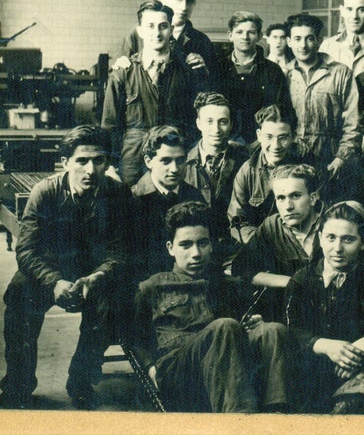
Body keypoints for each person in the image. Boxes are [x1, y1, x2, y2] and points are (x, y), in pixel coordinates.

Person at [0, 126, 131, 409]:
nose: (91, 169)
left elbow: (121, 250)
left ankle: (81, 381)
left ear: (107, 162)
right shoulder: (45, 192)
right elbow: (26, 250)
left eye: (99, 160)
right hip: (48, 271)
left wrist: (99, 275)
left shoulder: (118, 193)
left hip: (93, 273)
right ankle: (19, 383)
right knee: (19, 296)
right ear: (65, 162)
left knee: (114, 302)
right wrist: (55, 281)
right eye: (82, 160)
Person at [130, 201, 289, 413]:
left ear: (211, 245)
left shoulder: (227, 284)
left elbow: (239, 334)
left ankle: (277, 415)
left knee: (272, 331)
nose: (196, 253)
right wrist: (149, 367)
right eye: (186, 245)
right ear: (171, 248)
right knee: (224, 326)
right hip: (180, 372)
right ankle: (239, 422)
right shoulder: (153, 286)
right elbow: (133, 334)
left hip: (225, 370)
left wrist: (253, 326)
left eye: (202, 243)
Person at [285, 201, 364, 414]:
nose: (337, 248)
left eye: (348, 240)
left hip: (360, 366)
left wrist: (355, 350)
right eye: (330, 238)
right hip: (314, 369)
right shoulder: (303, 279)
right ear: (320, 238)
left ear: (363, 243)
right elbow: (291, 326)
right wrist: (325, 346)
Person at [102, 0, 195, 186]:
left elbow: (193, 123)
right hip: (132, 162)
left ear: (171, 30)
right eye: (150, 26)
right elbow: (110, 125)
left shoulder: (187, 73)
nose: (157, 33)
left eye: (163, 26)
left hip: (172, 161)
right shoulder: (123, 73)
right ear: (140, 31)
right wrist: (109, 164)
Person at [232, 164, 324, 322]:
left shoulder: (334, 221)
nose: (288, 206)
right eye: (281, 198)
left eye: (295, 196)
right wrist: (291, 282)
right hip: (290, 311)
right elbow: (242, 270)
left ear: (313, 198)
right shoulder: (272, 226)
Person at [285, 12, 360, 178]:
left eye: (309, 38)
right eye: (297, 39)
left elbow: (353, 121)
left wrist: (341, 157)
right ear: (289, 41)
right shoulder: (283, 74)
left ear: (319, 40)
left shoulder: (340, 73)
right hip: (292, 157)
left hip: (330, 157)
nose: (303, 45)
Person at [118, 0, 217, 91]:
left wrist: (204, 71)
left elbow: (212, 86)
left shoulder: (201, 41)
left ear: (194, 4)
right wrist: (121, 63)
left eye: (189, 1)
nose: (184, 7)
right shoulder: (137, 34)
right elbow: (120, 78)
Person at [129, 125, 203, 282]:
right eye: (166, 161)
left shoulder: (194, 196)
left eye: (180, 160)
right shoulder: (132, 199)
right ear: (149, 161)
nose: (175, 169)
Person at [227, 104, 311, 243]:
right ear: (259, 135)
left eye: (283, 137)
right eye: (269, 137)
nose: (276, 146)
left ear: (293, 137)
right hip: (260, 245)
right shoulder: (247, 171)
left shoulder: (305, 167)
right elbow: (238, 222)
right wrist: (263, 243)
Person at [215, 10, 294, 145]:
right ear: (230, 35)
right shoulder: (217, 68)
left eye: (251, 32)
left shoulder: (272, 71)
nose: (245, 37)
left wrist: (259, 142)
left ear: (259, 36)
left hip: (261, 144)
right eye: (239, 32)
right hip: (223, 142)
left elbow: (281, 110)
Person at [184, 91, 249, 244]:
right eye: (209, 121)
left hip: (236, 244)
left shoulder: (246, 158)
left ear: (231, 124)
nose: (216, 129)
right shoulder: (183, 162)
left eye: (223, 122)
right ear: (198, 123)